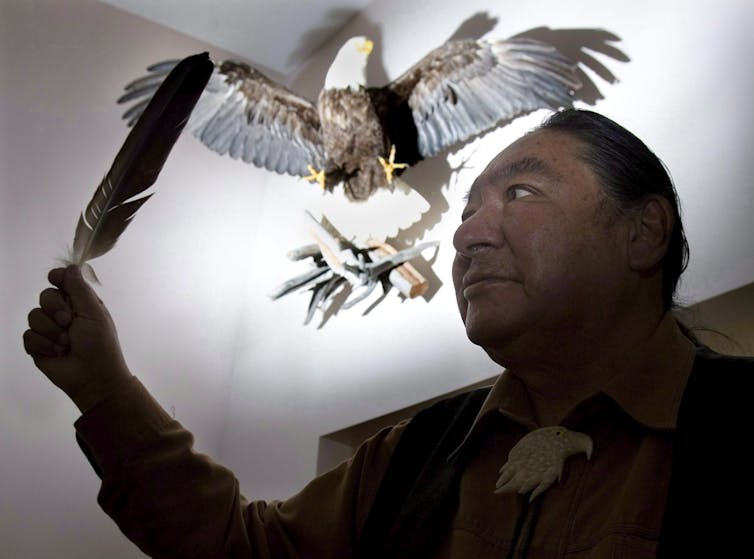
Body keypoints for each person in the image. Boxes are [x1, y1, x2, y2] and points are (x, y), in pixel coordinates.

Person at [23, 109, 754, 558]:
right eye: (467, 207)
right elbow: (244, 550)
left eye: (522, 192)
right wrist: (105, 389)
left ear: (642, 231)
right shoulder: (413, 455)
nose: (467, 232)